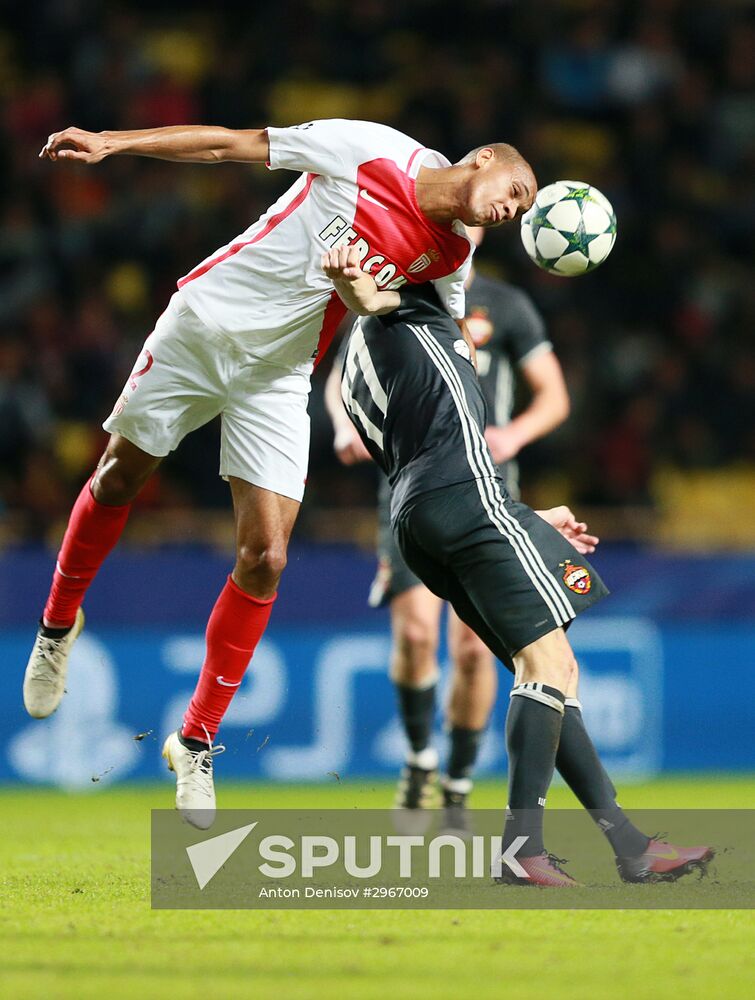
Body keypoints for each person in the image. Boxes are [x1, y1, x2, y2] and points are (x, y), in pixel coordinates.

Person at [26, 119, 537, 828]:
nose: (515, 208)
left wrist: (367, 301)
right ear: (480, 158)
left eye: (522, 209)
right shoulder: (368, 150)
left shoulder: (448, 259)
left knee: (265, 557)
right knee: (118, 479)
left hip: (279, 377)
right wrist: (114, 143)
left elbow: (423, 333)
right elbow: (231, 144)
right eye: (515, 189)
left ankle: (195, 741)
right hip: (203, 327)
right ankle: (56, 627)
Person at [324, 246, 713, 886]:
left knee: (555, 673)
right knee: (549, 665)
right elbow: (376, 300)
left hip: (426, 511)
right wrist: (355, 282)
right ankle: (520, 846)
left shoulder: (388, 345)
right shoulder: (410, 306)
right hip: (468, 500)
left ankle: (629, 845)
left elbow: (436, 438)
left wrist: (526, 518)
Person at [325, 227, 570, 826]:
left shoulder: (507, 305)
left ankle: (457, 785)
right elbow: (341, 372)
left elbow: (554, 397)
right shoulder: (400, 286)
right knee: (413, 634)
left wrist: (512, 435)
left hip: (489, 481)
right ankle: (418, 759)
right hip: (411, 483)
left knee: (472, 648)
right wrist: (343, 424)